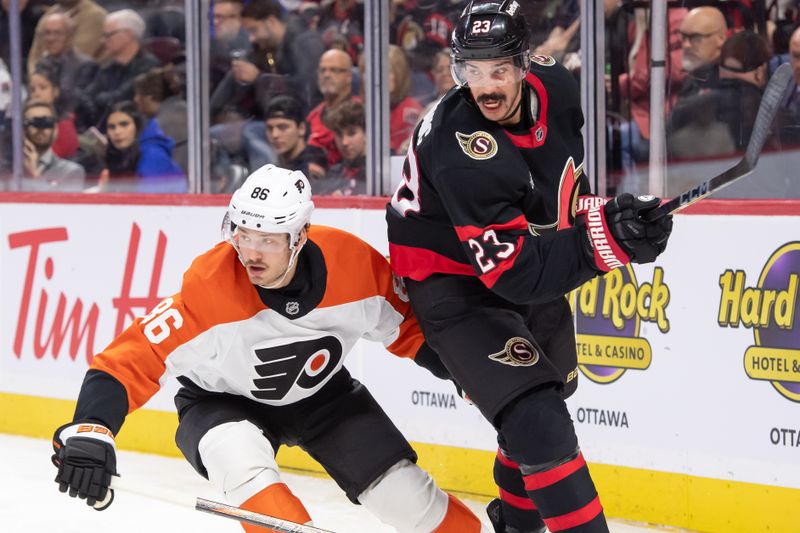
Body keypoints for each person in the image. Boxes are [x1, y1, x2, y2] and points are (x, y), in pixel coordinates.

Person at [51, 164, 489, 533]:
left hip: (324, 399)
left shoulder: (355, 265)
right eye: (243, 234)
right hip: (219, 403)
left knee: (405, 497)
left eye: (268, 239)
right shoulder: (209, 285)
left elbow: (410, 328)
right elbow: (130, 358)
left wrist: (467, 374)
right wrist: (91, 429)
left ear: (299, 237)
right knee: (242, 466)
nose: (250, 252)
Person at [386, 2, 673, 532]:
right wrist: (608, 242)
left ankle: (515, 526)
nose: (485, 86)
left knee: (550, 392)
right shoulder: (460, 144)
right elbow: (514, 275)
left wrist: (609, 218)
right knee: (536, 417)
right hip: (451, 283)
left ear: (524, 64)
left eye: (498, 70)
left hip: (517, 256)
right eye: (471, 72)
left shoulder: (556, 86)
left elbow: (557, 194)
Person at [74, 9, 161, 130]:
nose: (103, 41)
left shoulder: (149, 67)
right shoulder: (108, 67)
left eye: (108, 35)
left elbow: (118, 99)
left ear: (128, 35)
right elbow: (85, 97)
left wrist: (98, 100)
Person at [96, 101, 186, 193]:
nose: (117, 132)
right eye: (111, 127)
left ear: (137, 126)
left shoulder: (153, 155)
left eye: (124, 124)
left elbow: (148, 203)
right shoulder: (118, 155)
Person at [21, 99, 85, 191]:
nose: (40, 128)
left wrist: (35, 175)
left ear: (56, 129)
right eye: (34, 122)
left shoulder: (71, 171)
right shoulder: (8, 169)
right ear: (23, 128)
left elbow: (62, 204)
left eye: (47, 122)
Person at [264, 95, 327, 181]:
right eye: (270, 128)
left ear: (301, 129)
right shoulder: (276, 165)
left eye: (282, 127)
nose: (274, 135)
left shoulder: (312, 163)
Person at [27, 66, 80, 159]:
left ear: (55, 91)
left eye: (43, 88)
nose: (37, 93)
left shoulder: (65, 123)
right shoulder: (26, 120)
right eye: (32, 90)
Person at [676, 6, 728, 99]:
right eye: (683, 37)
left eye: (696, 37)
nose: (686, 45)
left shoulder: (728, 83)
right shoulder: (695, 77)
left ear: (721, 39)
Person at [319, 98, 366, 195]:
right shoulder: (333, 173)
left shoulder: (380, 175)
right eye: (339, 135)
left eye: (351, 133)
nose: (344, 142)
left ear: (366, 134)